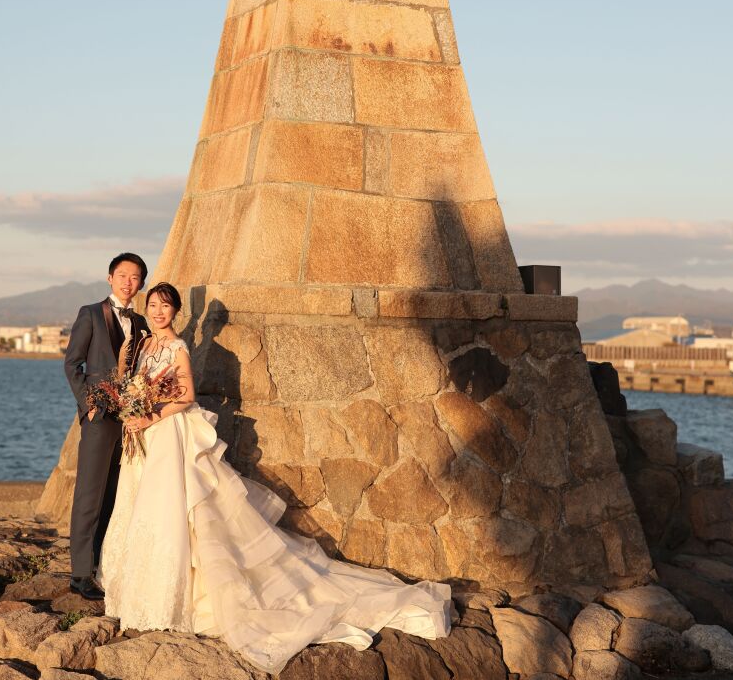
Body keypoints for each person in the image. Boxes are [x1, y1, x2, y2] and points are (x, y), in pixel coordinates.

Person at [98, 282, 451, 675]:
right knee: (142, 509)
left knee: (173, 511)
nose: (158, 311)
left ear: (176, 311)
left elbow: (186, 397)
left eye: (166, 306)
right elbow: (131, 387)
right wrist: (130, 404)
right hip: (145, 439)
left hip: (168, 436)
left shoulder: (178, 347)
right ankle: (139, 592)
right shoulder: (144, 345)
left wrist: (150, 417)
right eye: (153, 304)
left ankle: (174, 598)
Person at [64, 252, 150, 600]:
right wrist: (89, 407)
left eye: (135, 277)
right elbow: (72, 364)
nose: (129, 282)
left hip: (130, 420)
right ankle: (80, 574)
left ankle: (100, 564)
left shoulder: (141, 322)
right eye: (123, 275)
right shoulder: (90, 314)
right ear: (110, 278)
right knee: (89, 493)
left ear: (141, 283)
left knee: (113, 494)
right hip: (99, 417)